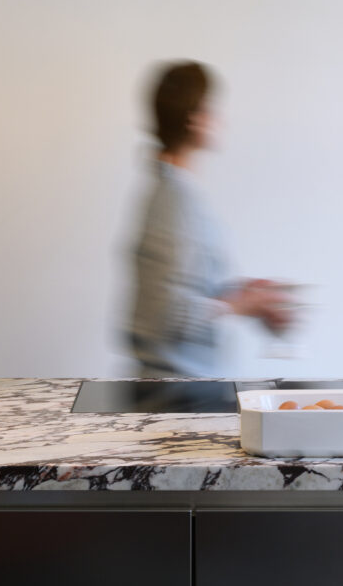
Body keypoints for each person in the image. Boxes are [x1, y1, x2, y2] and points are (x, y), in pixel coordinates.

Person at [126, 60, 293, 377]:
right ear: (194, 119)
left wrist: (243, 293)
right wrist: (242, 305)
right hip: (175, 390)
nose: (220, 120)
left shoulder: (177, 191)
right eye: (211, 110)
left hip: (187, 383)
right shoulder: (173, 199)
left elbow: (187, 291)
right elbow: (168, 313)